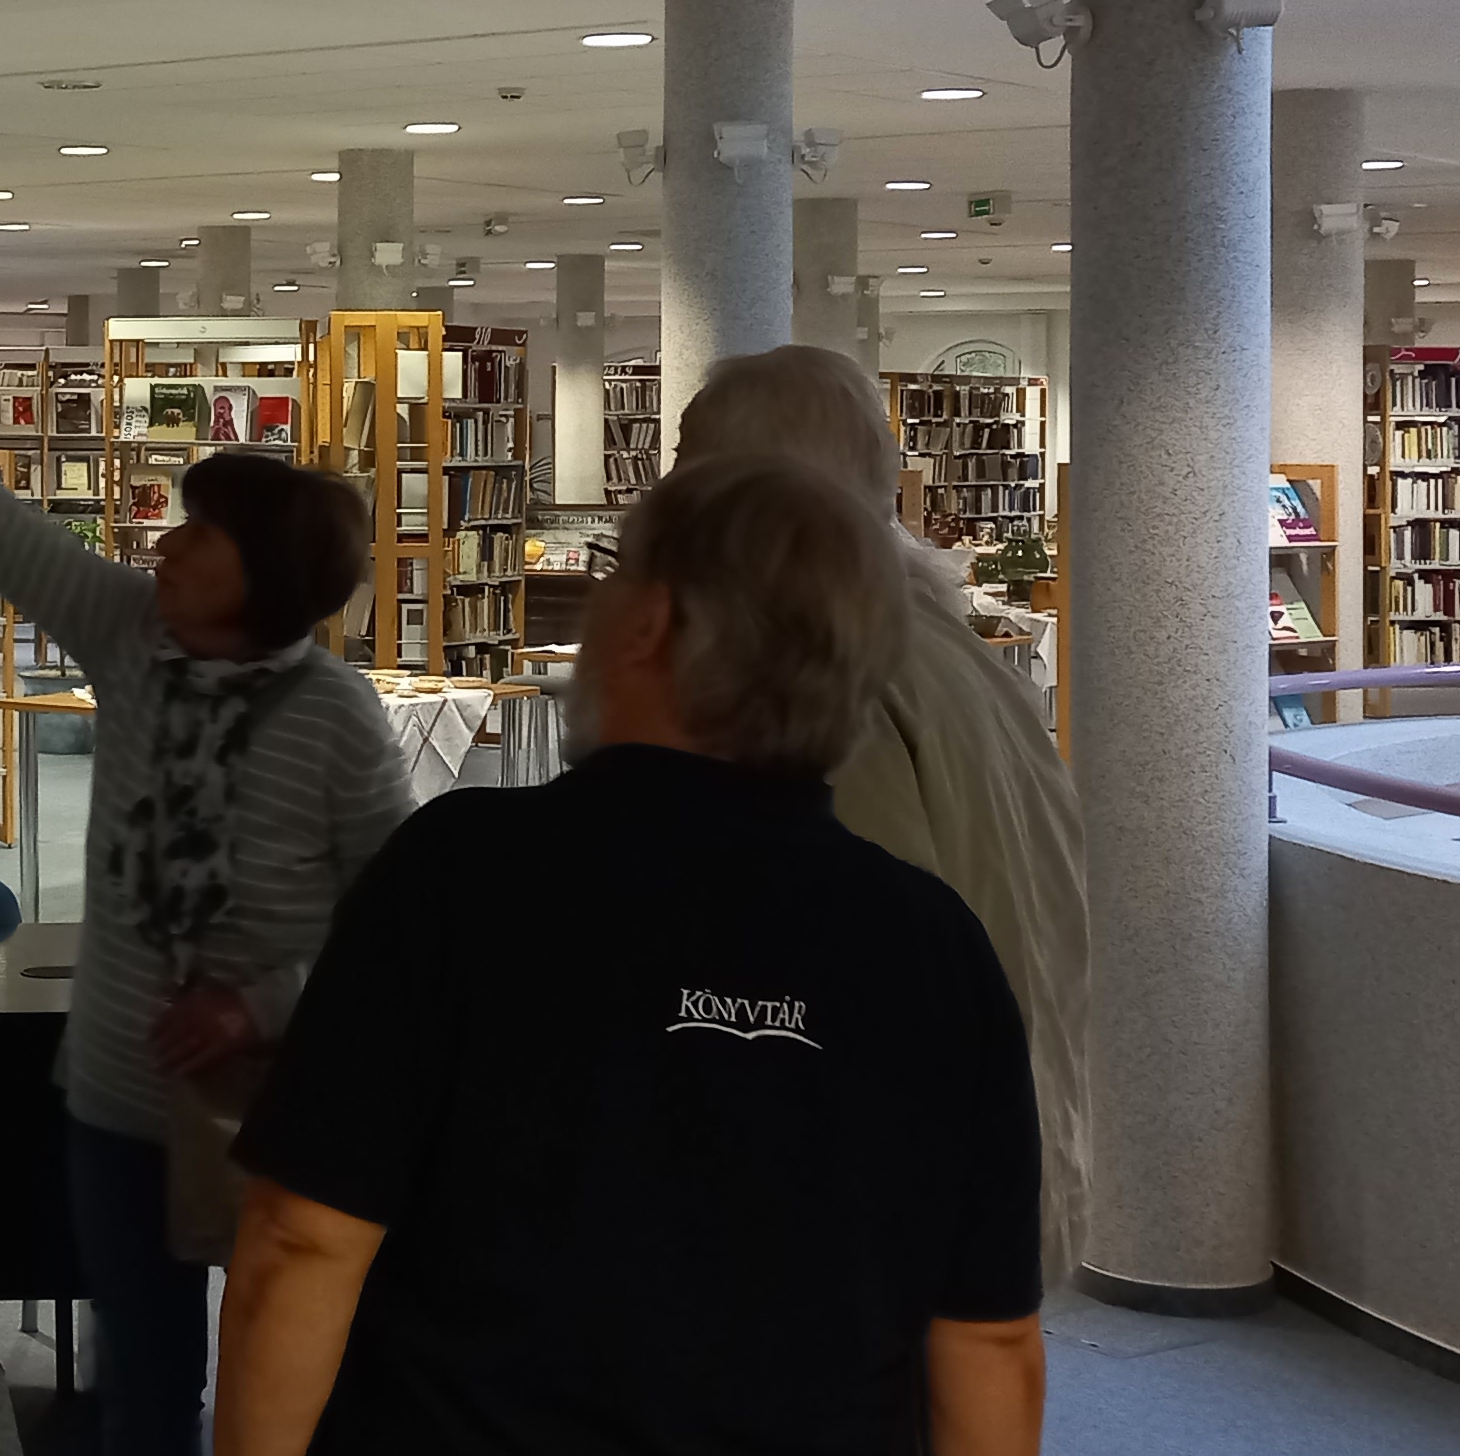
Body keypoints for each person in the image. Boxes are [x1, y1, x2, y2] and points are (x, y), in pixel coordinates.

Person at [211, 455, 1048, 1456]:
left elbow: (303, 1239)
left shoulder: (461, 876)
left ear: (650, 621)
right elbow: (990, 1340)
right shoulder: (937, 947)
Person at [0, 309, 408, 1456]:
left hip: (281, 1101)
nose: (166, 544)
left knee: (294, 1376)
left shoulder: (335, 717)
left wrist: (259, 1003)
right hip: (118, 1090)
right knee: (143, 1389)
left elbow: (396, 925)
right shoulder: (128, 633)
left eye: (200, 532)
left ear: (266, 574)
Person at [676, 344, 1089, 1286]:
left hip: (881, 1207)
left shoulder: (814, 679)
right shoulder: (955, 655)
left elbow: (834, 966)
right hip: (1004, 1145)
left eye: (686, 466)